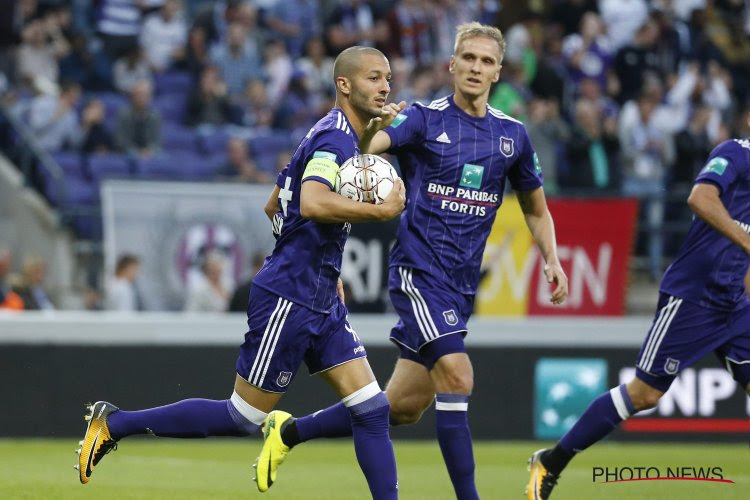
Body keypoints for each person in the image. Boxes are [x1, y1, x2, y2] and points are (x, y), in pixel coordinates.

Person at [77, 45, 405, 500]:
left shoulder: (331, 134)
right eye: (373, 77)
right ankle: (114, 423)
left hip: (318, 292)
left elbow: (274, 203)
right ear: (344, 84)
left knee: (372, 409)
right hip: (290, 297)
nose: (385, 86)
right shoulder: (334, 139)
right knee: (242, 417)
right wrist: (378, 212)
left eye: (387, 77)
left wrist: (319, 260)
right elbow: (310, 202)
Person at [258, 23, 569, 500]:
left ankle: (289, 433)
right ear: (452, 64)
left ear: (498, 72)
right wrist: (374, 134)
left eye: (486, 61)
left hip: (462, 286)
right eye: (468, 58)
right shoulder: (424, 119)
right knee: (459, 375)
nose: (475, 68)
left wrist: (551, 258)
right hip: (418, 274)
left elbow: (535, 207)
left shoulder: (513, 136)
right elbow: (366, 150)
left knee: (399, 408)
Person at [526, 121, 750, 500]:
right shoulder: (736, 152)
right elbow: (699, 198)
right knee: (644, 395)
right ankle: (551, 461)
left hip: (735, 303)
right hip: (694, 296)